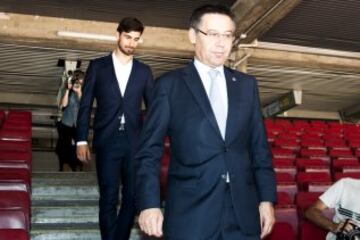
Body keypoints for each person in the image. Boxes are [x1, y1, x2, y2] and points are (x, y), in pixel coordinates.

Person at [135, 4, 276, 240]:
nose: (221, 43)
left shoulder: (247, 86)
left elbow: (259, 148)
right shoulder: (169, 86)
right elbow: (149, 151)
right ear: (193, 35)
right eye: (212, 34)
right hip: (191, 215)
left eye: (227, 35)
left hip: (243, 215)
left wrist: (266, 199)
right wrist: (149, 204)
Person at [76, 17, 154, 240]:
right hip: (107, 140)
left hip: (135, 142)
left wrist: (150, 142)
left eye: (136, 39)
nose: (131, 43)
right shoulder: (98, 66)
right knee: (108, 196)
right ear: (118, 35)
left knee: (131, 197)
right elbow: (85, 104)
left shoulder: (144, 72)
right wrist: (81, 139)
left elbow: (154, 111)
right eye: (128, 37)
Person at [55, 69, 84, 171]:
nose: (78, 82)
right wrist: (68, 90)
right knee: (64, 146)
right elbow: (63, 105)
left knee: (77, 146)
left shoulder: (85, 90)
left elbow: (84, 106)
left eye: (80, 81)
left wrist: (79, 91)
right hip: (66, 122)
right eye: (77, 80)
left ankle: (76, 165)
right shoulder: (67, 88)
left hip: (78, 124)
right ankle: (63, 165)